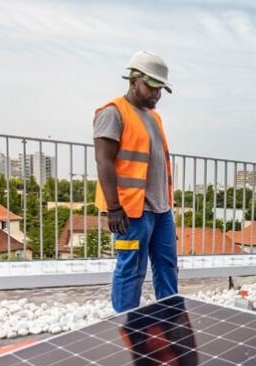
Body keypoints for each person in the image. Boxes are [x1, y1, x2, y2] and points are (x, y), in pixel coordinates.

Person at [94, 50, 177, 313]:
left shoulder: (154, 117)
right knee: (132, 270)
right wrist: (114, 208)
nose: (156, 94)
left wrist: (165, 206)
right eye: (151, 87)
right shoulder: (113, 113)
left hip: (161, 210)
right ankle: (125, 325)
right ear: (133, 82)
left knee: (167, 267)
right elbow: (104, 161)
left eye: (160, 89)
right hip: (132, 211)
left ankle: (170, 319)